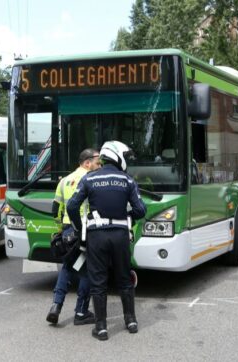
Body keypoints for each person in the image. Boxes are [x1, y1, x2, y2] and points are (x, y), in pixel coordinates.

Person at [67, 140, 146, 341]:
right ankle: (131, 321)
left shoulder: (89, 178)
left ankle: (101, 327)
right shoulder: (127, 180)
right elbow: (141, 210)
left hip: (97, 236)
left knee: (98, 280)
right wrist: (126, 218)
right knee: (124, 278)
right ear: (117, 155)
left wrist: (79, 227)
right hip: (120, 236)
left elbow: (71, 206)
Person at [46, 148, 102, 326]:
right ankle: (81, 311)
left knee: (68, 267)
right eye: (98, 162)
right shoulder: (92, 179)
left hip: (68, 230)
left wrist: (61, 229)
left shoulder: (64, 181)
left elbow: (55, 210)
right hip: (86, 229)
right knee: (86, 269)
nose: (100, 165)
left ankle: (56, 306)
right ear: (87, 163)